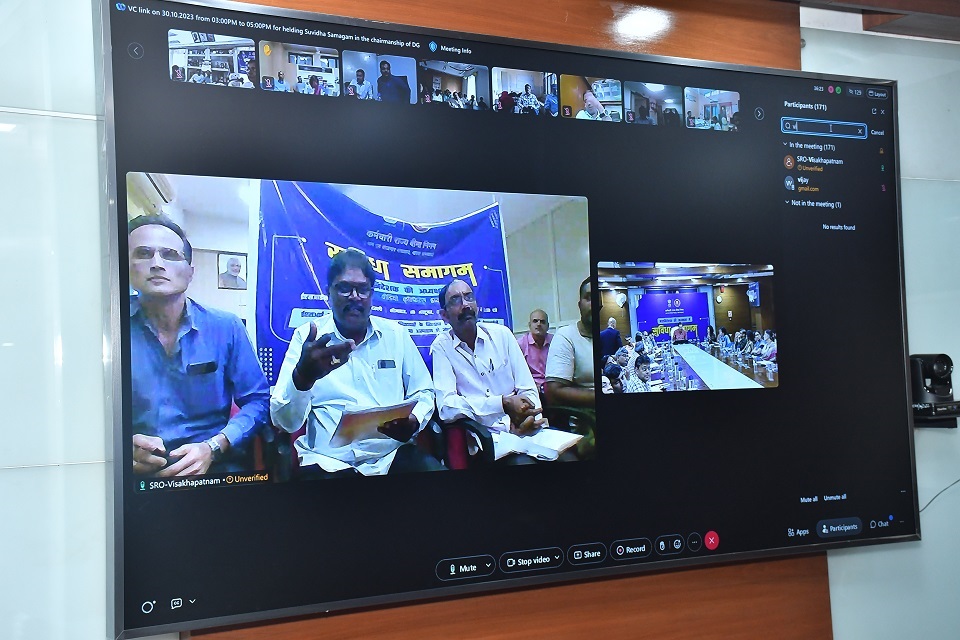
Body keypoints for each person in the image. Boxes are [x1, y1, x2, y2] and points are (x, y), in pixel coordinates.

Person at [271, 249, 441, 476]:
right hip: (328, 462)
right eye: (344, 288)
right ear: (328, 292)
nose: (354, 297)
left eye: (362, 289)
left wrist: (414, 420)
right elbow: (285, 423)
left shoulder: (396, 335)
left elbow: (424, 391)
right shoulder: (309, 339)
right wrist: (302, 378)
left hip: (390, 456)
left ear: (371, 294)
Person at [128, 215, 269, 476]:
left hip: (214, 465)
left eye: (169, 255)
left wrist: (214, 446)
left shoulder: (226, 327)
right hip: (137, 473)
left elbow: (259, 401)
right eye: (144, 253)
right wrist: (121, 444)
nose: (157, 264)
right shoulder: (107, 331)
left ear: (190, 272)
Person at [431, 280, 544, 443]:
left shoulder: (502, 335)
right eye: (455, 300)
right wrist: (502, 403)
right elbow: (447, 408)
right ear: (444, 315)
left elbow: (527, 388)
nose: (465, 304)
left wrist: (530, 419)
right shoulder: (442, 347)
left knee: (569, 453)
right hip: (490, 440)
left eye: (469, 297)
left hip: (527, 428)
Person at [544, 278, 595, 408]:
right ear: (580, 305)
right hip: (587, 415)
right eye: (589, 298)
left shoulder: (610, 336)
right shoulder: (566, 335)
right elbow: (555, 390)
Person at [517, 309, 552, 391]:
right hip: (530, 388)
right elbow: (517, 373)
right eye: (535, 321)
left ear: (548, 326)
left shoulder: (555, 341)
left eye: (542, 322)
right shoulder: (520, 344)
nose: (539, 324)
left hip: (552, 386)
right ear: (529, 325)